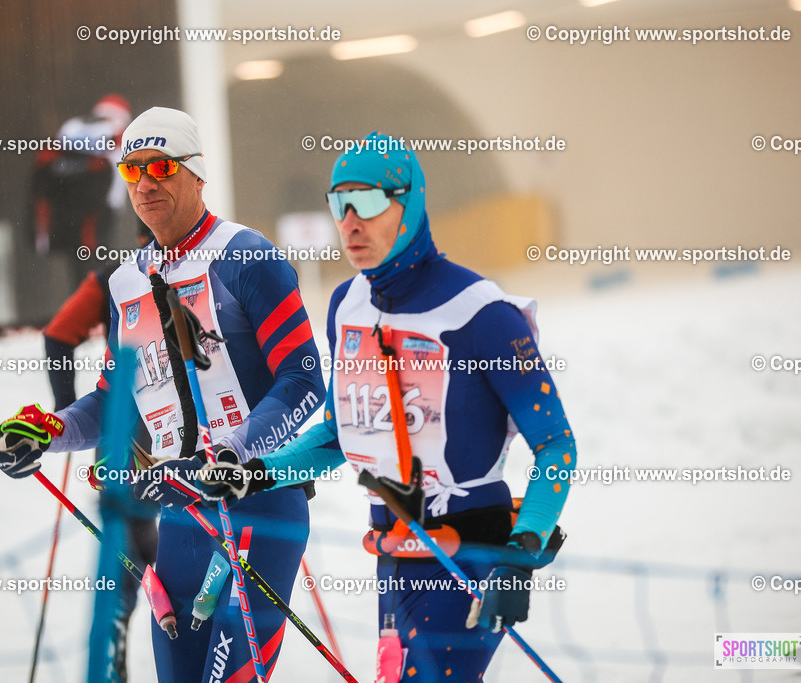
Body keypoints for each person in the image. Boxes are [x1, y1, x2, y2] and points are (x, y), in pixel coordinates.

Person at [199, 132, 577, 682]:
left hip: (469, 554)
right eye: (338, 202)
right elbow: (338, 433)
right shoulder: (346, 304)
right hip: (392, 552)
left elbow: (555, 445)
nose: (350, 221)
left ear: (409, 204)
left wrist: (520, 556)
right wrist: (257, 475)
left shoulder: (483, 314)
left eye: (369, 202)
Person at [0, 107, 325, 682]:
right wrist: (45, 431)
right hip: (182, 520)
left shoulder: (247, 257)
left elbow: (303, 381)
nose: (145, 182)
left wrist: (233, 453)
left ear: (195, 173)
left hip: (258, 507)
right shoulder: (127, 283)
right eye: (132, 170)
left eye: (161, 167)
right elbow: (118, 403)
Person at [42, 222, 159, 683]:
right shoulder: (199, 271)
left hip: (120, 431)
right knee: (167, 541)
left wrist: (63, 404)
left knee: (127, 544)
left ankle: (118, 642)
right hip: (176, 437)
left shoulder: (112, 277)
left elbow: (57, 334)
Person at [28, 94, 132, 291]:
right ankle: (100, 310)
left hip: (65, 208)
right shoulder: (117, 132)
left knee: (80, 263)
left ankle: (84, 306)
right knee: (97, 262)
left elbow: (46, 162)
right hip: (99, 208)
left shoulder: (73, 126)